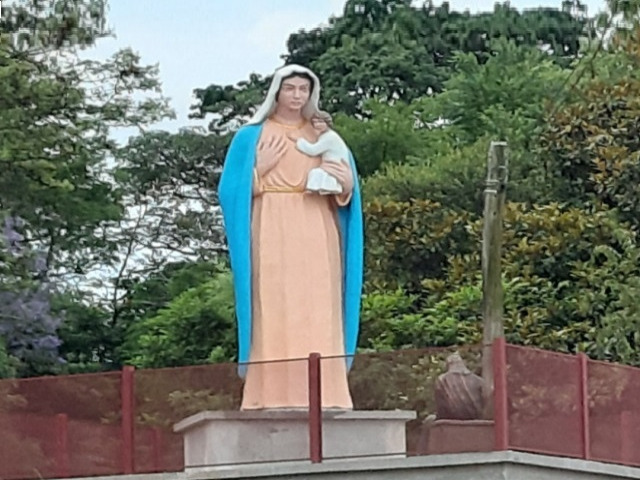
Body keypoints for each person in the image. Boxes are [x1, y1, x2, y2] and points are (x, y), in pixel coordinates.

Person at [218, 64, 363, 410]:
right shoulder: (251, 136)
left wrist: (345, 185)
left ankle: (327, 396)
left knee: (319, 307)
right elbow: (228, 192)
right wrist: (258, 172)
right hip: (271, 225)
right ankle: (268, 395)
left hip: (317, 224)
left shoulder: (322, 136)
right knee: (273, 305)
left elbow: (347, 191)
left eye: (303, 89)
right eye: (291, 88)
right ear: (276, 92)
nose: (297, 96)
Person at [291, 110, 350, 195]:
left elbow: (313, 150)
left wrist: (299, 141)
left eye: (320, 122)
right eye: (315, 122)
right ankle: (320, 189)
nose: (317, 125)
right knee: (318, 173)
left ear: (327, 123)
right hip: (329, 164)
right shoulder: (325, 135)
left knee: (316, 173)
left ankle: (327, 188)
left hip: (334, 165)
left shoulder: (330, 137)